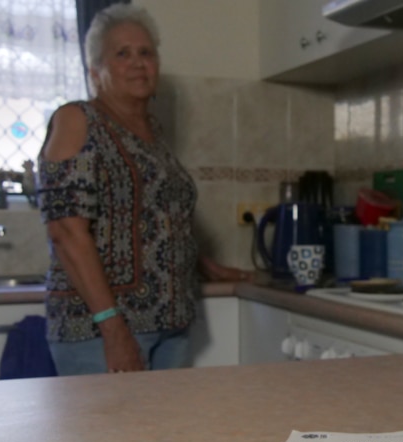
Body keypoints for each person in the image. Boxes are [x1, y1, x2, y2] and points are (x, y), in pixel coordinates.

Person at [36, 4, 251, 376]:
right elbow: (65, 231)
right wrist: (114, 329)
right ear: (95, 72)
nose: (138, 63)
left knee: (162, 436)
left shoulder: (153, 134)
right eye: (123, 54)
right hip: (99, 332)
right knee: (107, 436)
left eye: (146, 53)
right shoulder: (78, 120)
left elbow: (151, 216)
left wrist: (201, 263)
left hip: (171, 327)